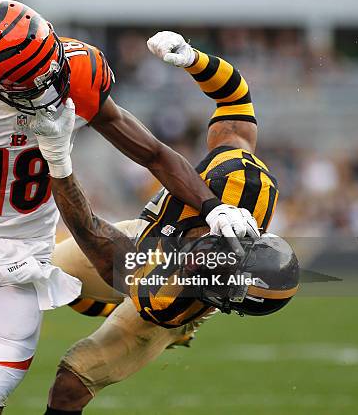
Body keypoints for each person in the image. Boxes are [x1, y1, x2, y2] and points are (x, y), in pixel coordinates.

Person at [0, 0, 257, 415]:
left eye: (49, 68)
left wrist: (211, 207)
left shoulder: (80, 71)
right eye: (30, 82)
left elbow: (153, 153)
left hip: (25, 260)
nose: (49, 86)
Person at [28, 31, 298, 415]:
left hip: (147, 282)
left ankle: (169, 334)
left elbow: (90, 232)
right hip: (145, 237)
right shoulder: (240, 179)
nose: (203, 272)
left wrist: (57, 159)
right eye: (220, 271)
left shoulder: (175, 299)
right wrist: (194, 60)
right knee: (44, 273)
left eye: (215, 288)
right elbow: (235, 97)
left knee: (71, 383)